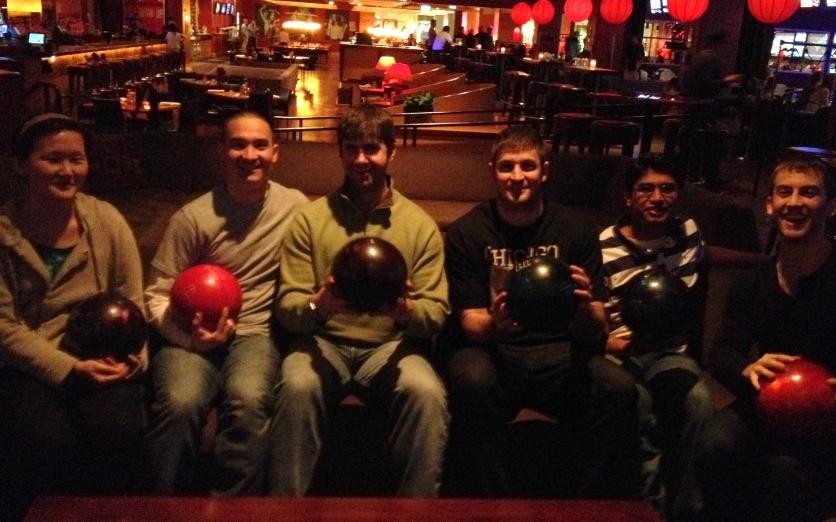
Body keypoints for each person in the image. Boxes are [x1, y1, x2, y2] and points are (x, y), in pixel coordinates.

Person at [443, 126, 640, 498]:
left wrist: (583, 306)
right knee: (471, 381)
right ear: (492, 172)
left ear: (545, 171)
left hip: (560, 350)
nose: (517, 177)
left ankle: (579, 503)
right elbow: (471, 325)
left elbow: (596, 326)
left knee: (619, 389)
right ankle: (492, 503)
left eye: (527, 166)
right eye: (507, 167)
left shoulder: (576, 229)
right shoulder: (468, 231)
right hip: (495, 350)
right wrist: (496, 324)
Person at [269, 105, 449, 497]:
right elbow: (288, 305)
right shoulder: (311, 219)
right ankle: (283, 509)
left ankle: (416, 511)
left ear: (391, 151)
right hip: (323, 342)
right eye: (351, 149)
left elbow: (436, 312)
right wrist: (318, 307)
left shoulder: (419, 226)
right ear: (339, 152)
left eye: (372, 149)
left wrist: (407, 314)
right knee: (297, 385)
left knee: (427, 393)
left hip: (390, 345)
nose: (361, 160)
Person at [144, 111, 308, 495]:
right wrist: (188, 339)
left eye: (259, 145)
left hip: (254, 334)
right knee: (181, 403)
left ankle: (235, 510)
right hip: (187, 333)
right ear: (222, 151)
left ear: (275, 153)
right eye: (237, 144)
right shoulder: (193, 217)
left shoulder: (296, 208)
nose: (248, 154)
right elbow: (156, 292)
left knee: (249, 402)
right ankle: (161, 509)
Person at [0, 114, 147, 521]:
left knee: (119, 434)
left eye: (76, 159)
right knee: (43, 439)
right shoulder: (4, 232)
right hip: (29, 364)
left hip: (103, 356)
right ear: (21, 164)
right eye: (53, 159)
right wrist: (69, 368)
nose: (68, 171)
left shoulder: (105, 221)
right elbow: (4, 328)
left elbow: (133, 300)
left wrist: (135, 357)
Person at [696, 158, 836, 522]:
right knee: (715, 441)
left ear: (831, 206)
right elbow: (722, 351)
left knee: (787, 471)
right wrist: (748, 369)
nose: (794, 202)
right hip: (771, 403)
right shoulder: (754, 281)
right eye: (784, 192)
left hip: (829, 414)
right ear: (770, 205)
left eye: (809, 192)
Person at [599, 155, 714, 520]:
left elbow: (695, 286)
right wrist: (616, 345)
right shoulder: (602, 246)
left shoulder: (688, 233)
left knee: (698, 402)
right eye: (645, 189)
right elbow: (591, 325)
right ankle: (647, 509)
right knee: (640, 407)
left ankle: (687, 511)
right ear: (628, 198)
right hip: (620, 351)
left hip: (671, 353)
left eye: (667, 189)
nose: (657, 198)